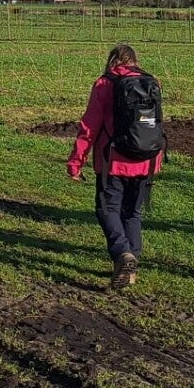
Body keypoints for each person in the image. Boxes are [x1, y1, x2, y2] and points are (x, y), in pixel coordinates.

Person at [66, 44, 164, 288]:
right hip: (147, 159)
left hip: (114, 160)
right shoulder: (152, 82)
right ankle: (131, 270)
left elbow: (89, 127)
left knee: (107, 209)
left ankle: (122, 253)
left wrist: (76, 162)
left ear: (112, 61)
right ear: (135, 61)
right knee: (132, 212)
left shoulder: (104, 84)